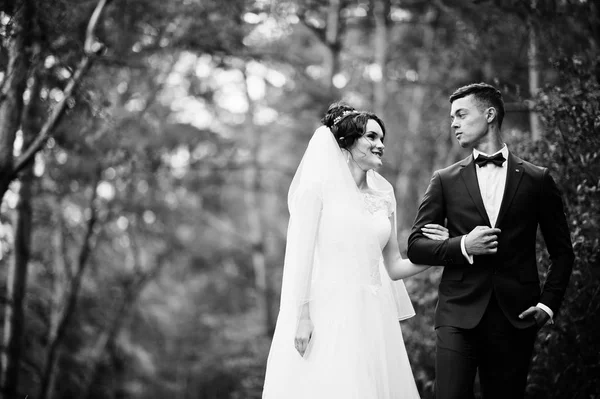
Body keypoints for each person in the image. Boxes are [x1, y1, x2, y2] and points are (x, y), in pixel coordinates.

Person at [262, 103, 448, 398]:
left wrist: (442, 251)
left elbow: (395, 266)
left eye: (382, 139)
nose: (380, 145)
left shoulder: (384, 195)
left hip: (375, 312)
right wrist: (303, 316)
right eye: (372, 137)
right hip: (327, 310)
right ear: (346, 143)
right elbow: (300, 258)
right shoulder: (316, 191)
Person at [407, 83, 574, 399]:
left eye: (461, 114)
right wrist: (462, 246)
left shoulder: (538, 179)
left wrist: (547, 304)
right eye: (452, 116)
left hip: (516, 317)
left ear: (490, 114)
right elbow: (415, 245)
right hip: (457, 315)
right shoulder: (444, 179)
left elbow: (563, 253)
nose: (453, 123)